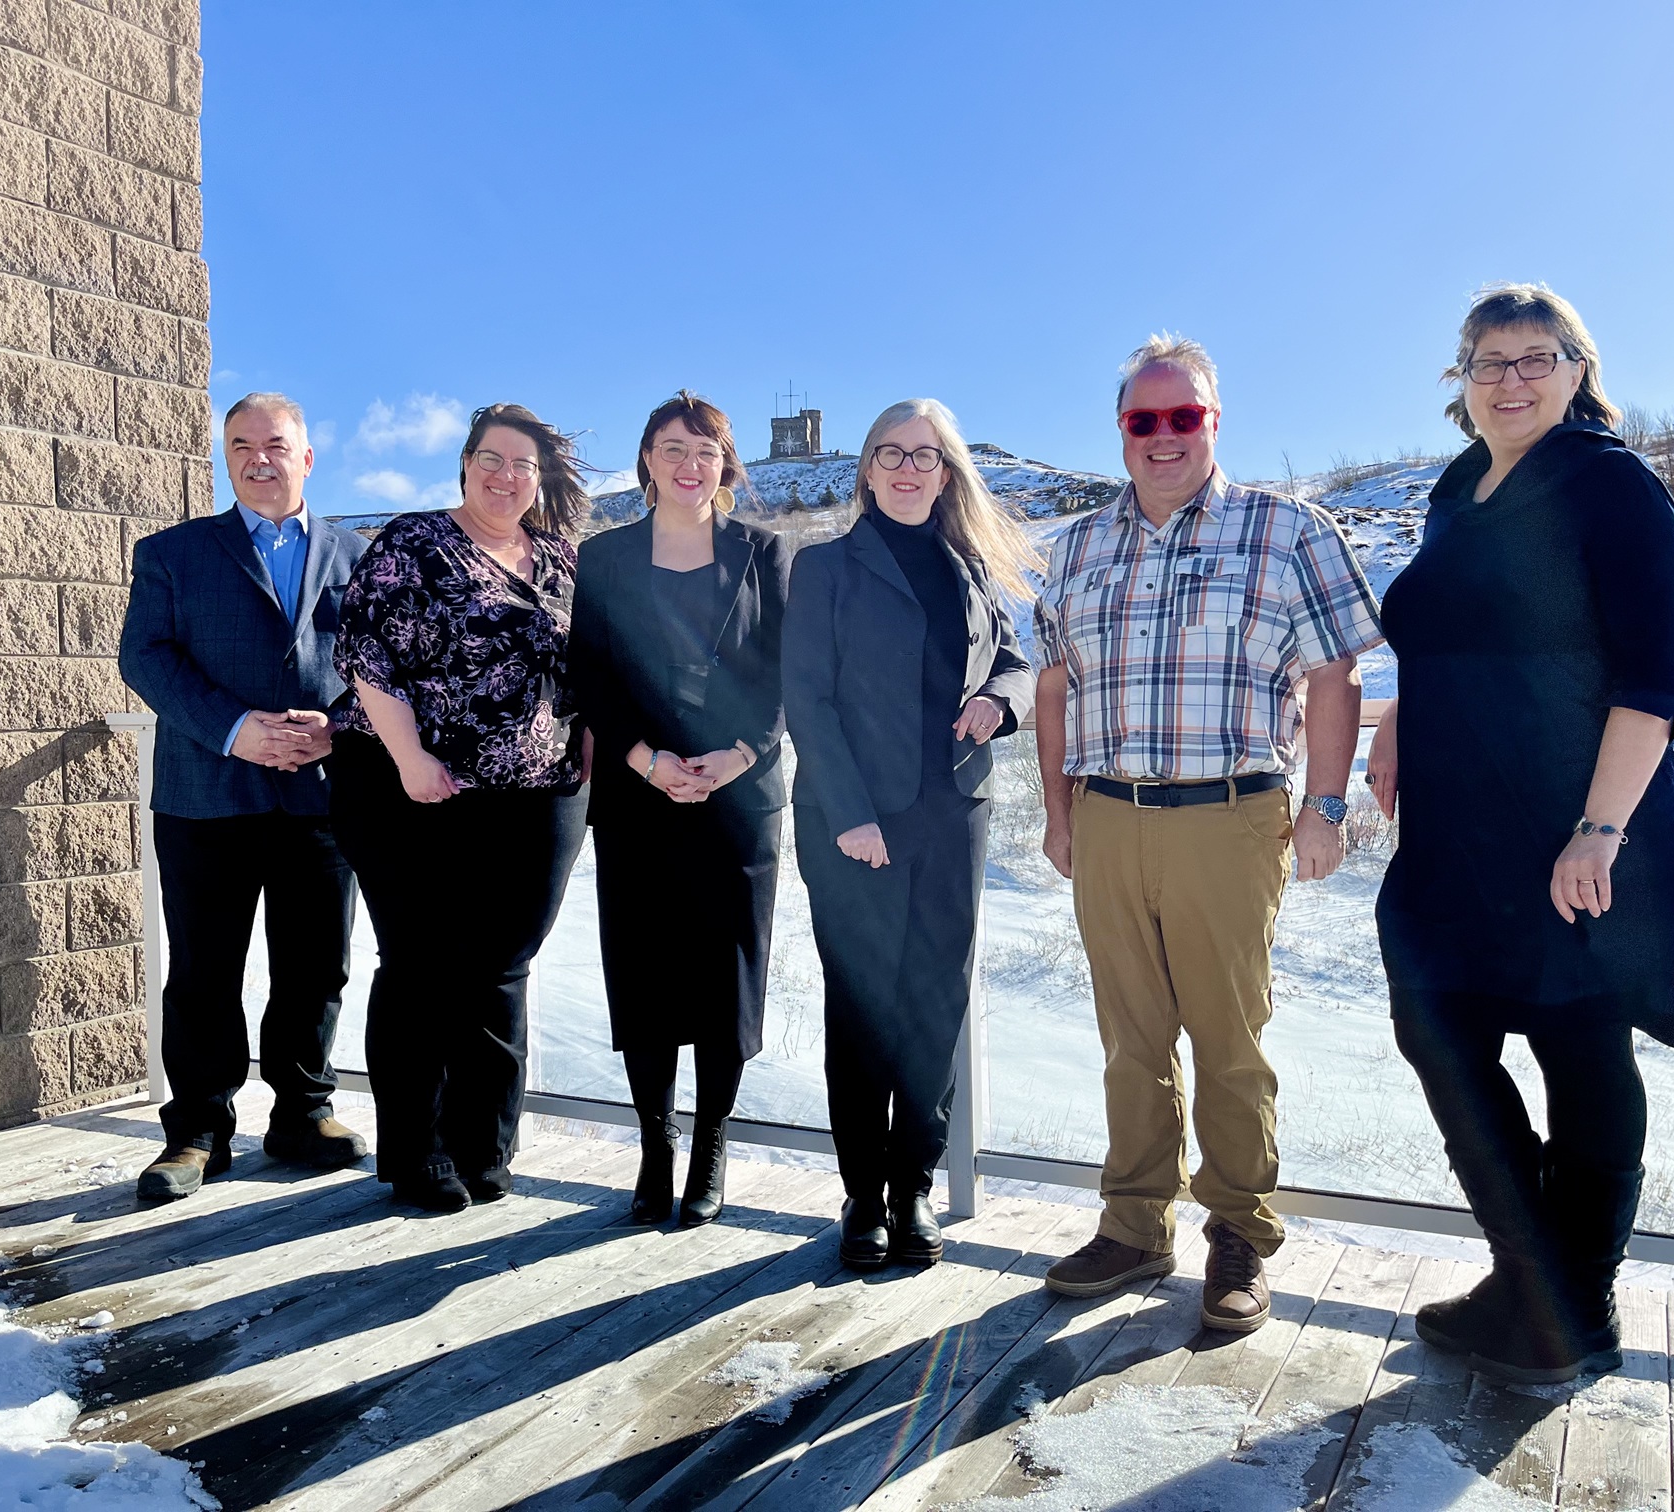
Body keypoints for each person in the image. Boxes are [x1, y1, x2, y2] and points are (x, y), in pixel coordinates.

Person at [1368, 285, 1674, 1384]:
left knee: (1580, 1049)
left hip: (1570, 826)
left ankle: (1570, 1301)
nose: (1513, 378)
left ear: (1579, 369)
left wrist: (1599, 830)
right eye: (1490, 360)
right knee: (1439, 1030)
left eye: (1539, 358)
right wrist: (1396, 717)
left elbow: (1652, 677)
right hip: (1454, 832)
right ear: (1461, 380)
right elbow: (1452, 632)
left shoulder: (1609, 483)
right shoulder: (1456, 490)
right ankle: (1539, 1283)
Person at [1033, 335, 1384, 1330]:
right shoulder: (1078, 548)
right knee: (1127, 1039)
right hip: (1107, 815)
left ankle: (1238, 1231)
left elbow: (1335, 677)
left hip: (1231, 818)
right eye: (1144, 420)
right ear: (1121, 431)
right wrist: (1061, 815)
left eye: (1182, 416)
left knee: (1230, 1039)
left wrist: (1325, 807)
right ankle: (1134, 1225)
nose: (1163, 436)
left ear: (1214, 421)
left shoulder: (1286, 530)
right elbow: (1054, 687)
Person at [785, 399, 1039, 1269]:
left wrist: (998, 700)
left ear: (947, 471)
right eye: (890, 453)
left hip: (954, 813)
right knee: (862, 1005)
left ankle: (913, 1188)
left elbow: (1014, 659)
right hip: (852, 821)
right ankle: (861, 1195)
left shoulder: (970, 569)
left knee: (935, 1001)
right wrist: (850, 813)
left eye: (925, 456)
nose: (907, 468)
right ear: (865, 469)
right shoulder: (825, 569)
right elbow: (806, 698)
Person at [330, 404, 593, 1212]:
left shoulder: (559, 559)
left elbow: (589, 667)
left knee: (500, 968)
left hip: (537, 797)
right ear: (465, 463)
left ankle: (486, 1146)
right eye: (491, 458)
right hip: (410, 786)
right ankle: (418, 1152)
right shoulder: (413, 542)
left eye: (522, 464)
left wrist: (587, 751)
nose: (505, 475)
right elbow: (365, 655)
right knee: (419, 964)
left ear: (540, 478)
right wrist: (411, 759)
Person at [119, 392, 371, 1201]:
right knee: (202, 969)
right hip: (205, 791)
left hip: (323, 796)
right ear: (225, 458)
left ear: (307, 454)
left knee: (316, 966)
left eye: (274, 443)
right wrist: (235, 730)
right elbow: (146, 659)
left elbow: (389, 663)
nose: (258, 457)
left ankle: (302, 1112)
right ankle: (196, 1130)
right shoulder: (172, 553)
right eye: (240, 445)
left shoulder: (364, 555)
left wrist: (339, 729)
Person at [572, 392, 790, 1228]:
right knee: (646, 969)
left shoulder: (763, 553)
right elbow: (592, 676)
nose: (688, 463)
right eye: (672, 447)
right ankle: (657, 1147)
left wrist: (738, 756)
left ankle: (710, 1149)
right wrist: (646, 761)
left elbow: (784, 675)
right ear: (648, 460)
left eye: (703, 450)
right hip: (639, 795)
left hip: (738, 800)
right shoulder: (606, 558)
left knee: (727, 977)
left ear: (724, 464)